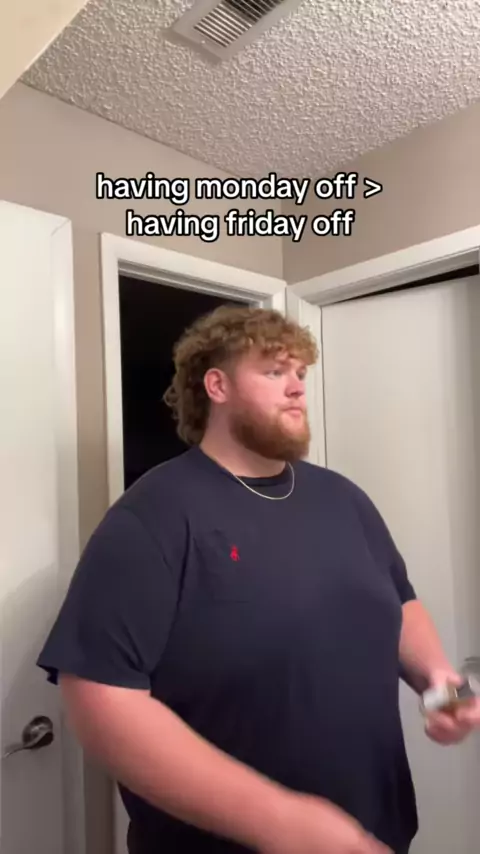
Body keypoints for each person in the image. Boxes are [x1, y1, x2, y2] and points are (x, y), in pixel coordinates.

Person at [37, 305, 480, 854]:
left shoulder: (344, 499)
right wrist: (281, 823)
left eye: (300, 373)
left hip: (376, 836)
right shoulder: (153, 515)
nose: (297, 388)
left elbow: (398, 602)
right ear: (217, 386)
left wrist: (442, 681)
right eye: (274, 371)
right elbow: (99, 698)